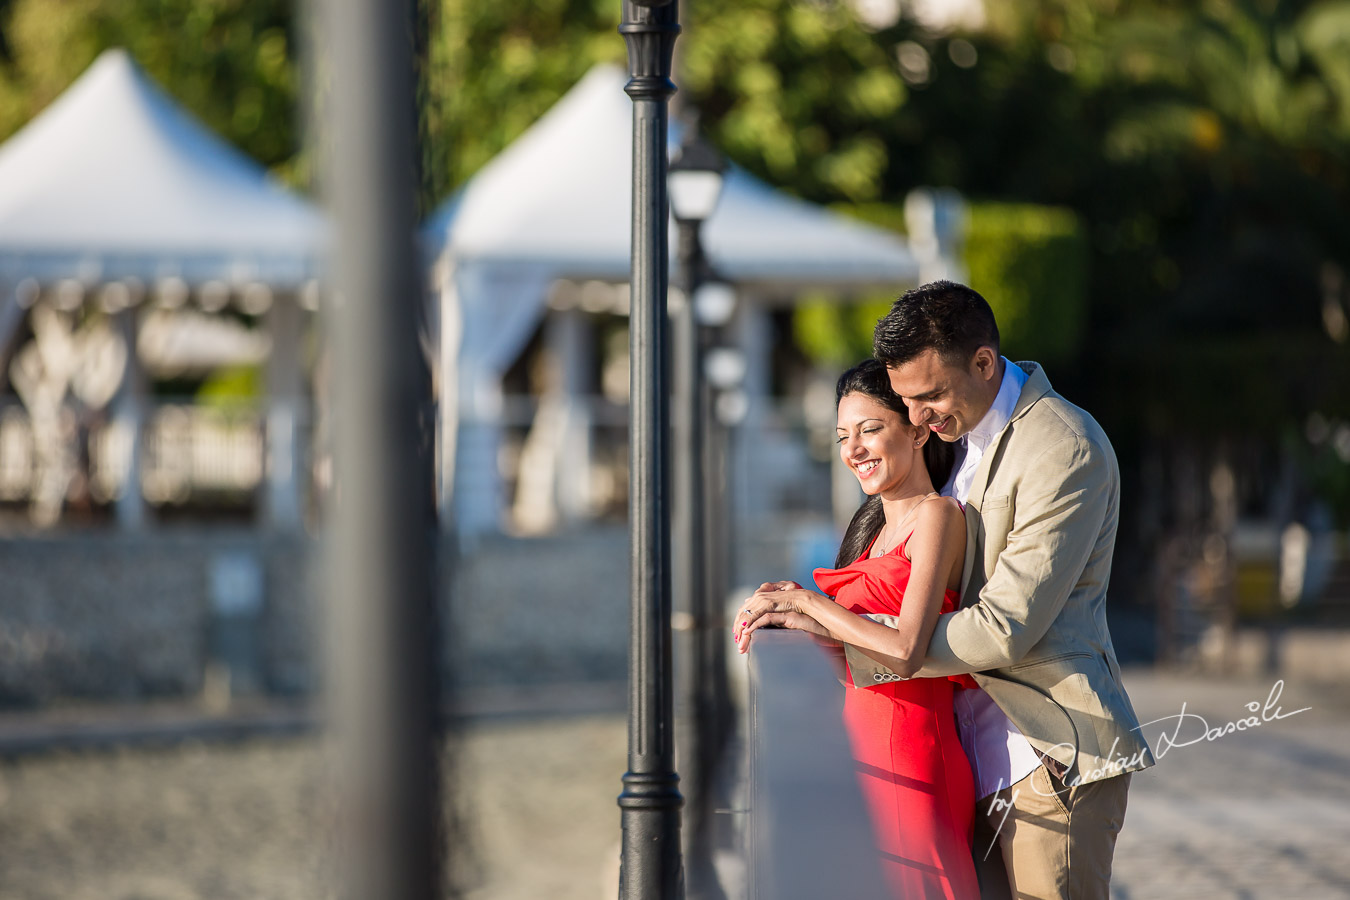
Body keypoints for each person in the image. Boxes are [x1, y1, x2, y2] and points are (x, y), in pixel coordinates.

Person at [838, 280, 1156, 900]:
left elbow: (1005, 624)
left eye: (929, 397)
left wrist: (859, 640)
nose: (919, 419)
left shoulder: (1064, 447)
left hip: (1046, 755)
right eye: (906, 402)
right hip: (968, 758)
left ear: (984, 363)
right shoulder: (957, 438)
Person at [733, 358, 980, 900]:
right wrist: (786, 614)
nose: (854, 449)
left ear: (916, 429)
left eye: (871, 429)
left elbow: (906, 649)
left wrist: (809, 602)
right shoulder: (872, 531)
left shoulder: (937, 516)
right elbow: (857, 639)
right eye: (843, 435)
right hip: (859, 746)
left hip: (911, 751)